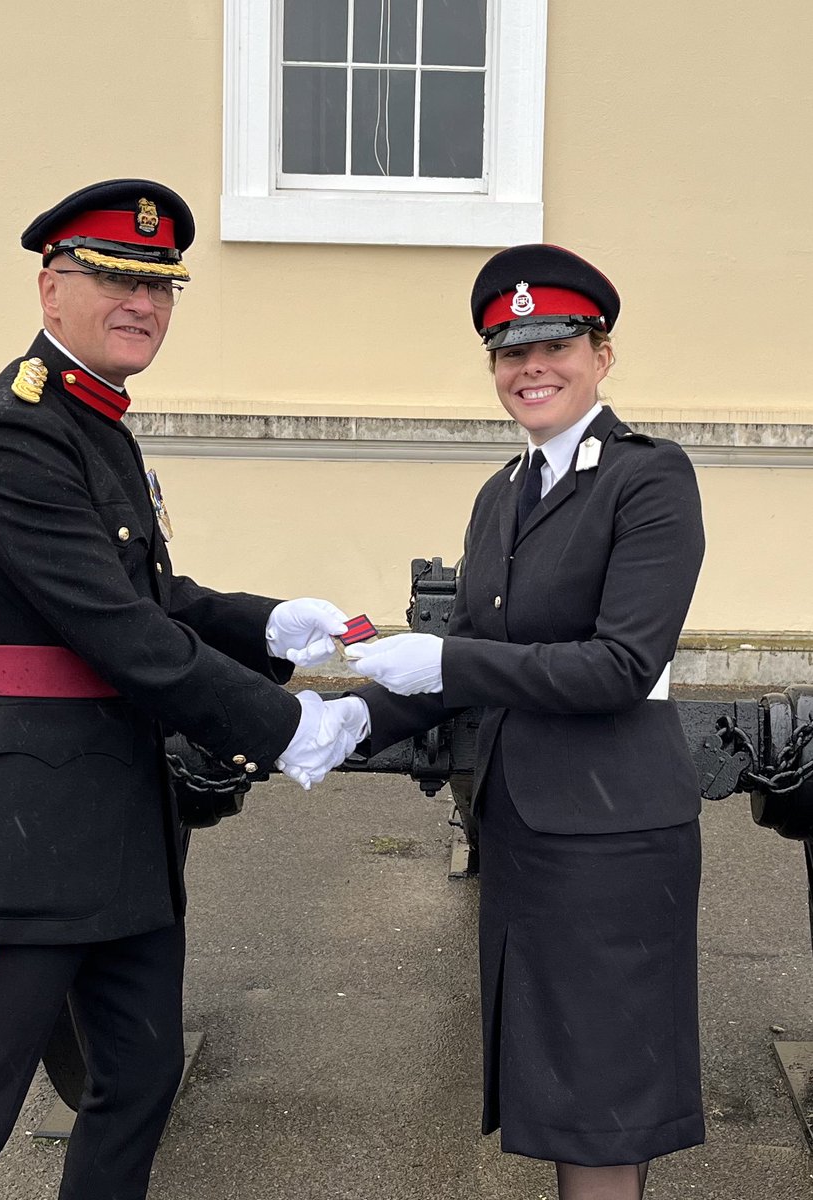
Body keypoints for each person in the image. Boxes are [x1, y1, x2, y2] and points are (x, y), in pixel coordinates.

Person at [0, 178, 363, 1200]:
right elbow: (116, 630)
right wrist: (286, 727)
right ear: (50, 290)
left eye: (161, 286)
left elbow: (151, 592)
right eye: (112, 278)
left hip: (125, 828)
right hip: (32, 828)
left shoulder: (95, 422)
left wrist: (270, 621)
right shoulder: (11, 432)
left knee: (137, 1082)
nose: (142, 302)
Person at [301, 244, 706, 1199]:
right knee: (555, 1073)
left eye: (554, 343)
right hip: (526, 825)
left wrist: (446, 657)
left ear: (601, 354)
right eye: (506, 351)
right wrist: (347, 720)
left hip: (614, 833)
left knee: (601, 1093)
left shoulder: (649, 480)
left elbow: (621, 663)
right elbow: (474, 657)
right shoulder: (502, 494)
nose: (531, 367)